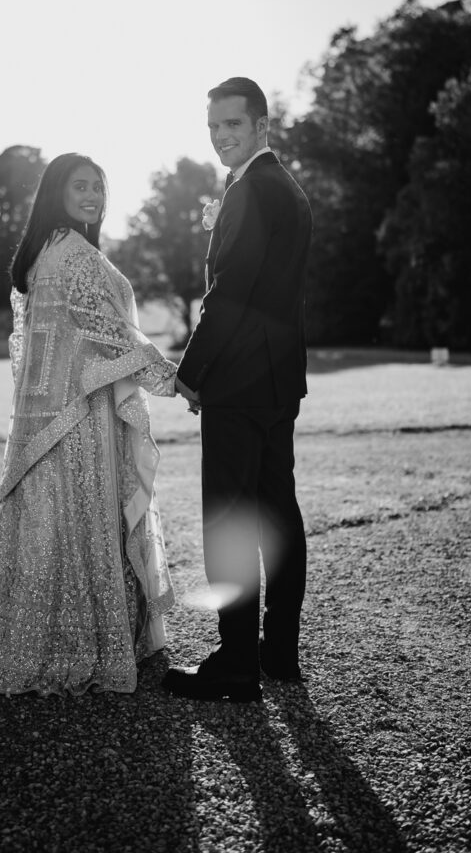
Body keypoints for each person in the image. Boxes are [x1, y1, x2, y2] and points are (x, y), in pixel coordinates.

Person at [0, 153, 178, 696]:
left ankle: (32, 641)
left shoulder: (44, 253)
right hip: (77, 421)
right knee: (79, 528)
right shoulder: (73, 254)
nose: (94, 195)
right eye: (81, 186)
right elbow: (115, 337)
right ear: (57, 192)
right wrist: (178, 382)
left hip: (43, 423)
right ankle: (78, 644)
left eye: (99, 186)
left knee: (48, 533)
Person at [163, 77, 312, 703]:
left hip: (241, 384)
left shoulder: (253, 190)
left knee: (229, 519)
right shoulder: (287, 189)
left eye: (233, 125)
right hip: (279, 381)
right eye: (214, 127)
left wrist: (190, 371)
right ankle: (277, 653)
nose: (222, 136)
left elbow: (230, 295)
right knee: (279, 514)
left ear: (261, 126)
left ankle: (235, 665)